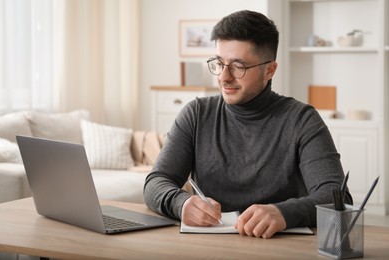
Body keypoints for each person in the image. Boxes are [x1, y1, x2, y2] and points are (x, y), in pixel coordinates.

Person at [143, 10, 352, 239]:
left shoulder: (302, 120)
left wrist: (284, 213)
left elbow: (337, 197)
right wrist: (181, 203)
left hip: (278, 248)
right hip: (207, 247)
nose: (224, 77)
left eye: (238, 66)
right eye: (219, 63)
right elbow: (156, 182)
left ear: (269, 70)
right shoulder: (196, 114)